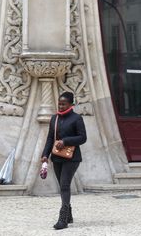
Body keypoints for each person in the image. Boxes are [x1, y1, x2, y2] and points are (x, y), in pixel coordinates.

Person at [41, 91, 87, 230]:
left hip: (72, 158)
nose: (60, 106)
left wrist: (65, 141)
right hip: (56, 157)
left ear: (71, 104)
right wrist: (45, 155)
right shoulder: (54, 118)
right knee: (62, 186)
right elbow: (50, 138)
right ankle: (70, 214)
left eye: (63, 104)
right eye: (59, 103)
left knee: (65, 185)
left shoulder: (77, 118)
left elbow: (82, 138)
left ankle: (63, 218)